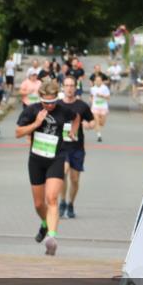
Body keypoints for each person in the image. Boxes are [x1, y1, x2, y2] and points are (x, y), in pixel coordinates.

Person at [15, 78, 81, 256]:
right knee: (38, 204)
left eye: (52, 102)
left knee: (51, 199)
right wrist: (36, 124)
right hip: (36, 160)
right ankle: (45, 223)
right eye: (46, 102)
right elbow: (17, 133)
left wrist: (73, 131)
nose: (50, 105)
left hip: (56, 158)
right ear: (40, 98)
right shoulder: (32, 110)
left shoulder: (63, 110)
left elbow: (76, 117)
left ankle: (51, 238)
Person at [58, 76, 95, 219]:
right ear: (63, 87)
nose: (69, 88)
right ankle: (62, 201)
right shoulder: (57, 105)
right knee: (63, 173)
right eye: (66, 85)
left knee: (74, 179)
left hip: (77, 148)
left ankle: (70, 204)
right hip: (61, 147)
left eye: (72, 85)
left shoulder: (82, 106)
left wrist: (88, 125)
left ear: (75, 87)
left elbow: (92, 122)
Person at [89, 73, 110, 142]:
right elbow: (91, 96)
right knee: (97, 121)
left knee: (102, 123)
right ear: (94, 81)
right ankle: (99, 135)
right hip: (95, 107)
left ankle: (97, 126)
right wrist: (91, 100)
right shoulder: (92, 88)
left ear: (102, 81)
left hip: (103, 107)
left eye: (99, 80)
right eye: (96, 80)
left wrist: (102, 96)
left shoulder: (105, 88)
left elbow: (108, 98)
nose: (98, 82)